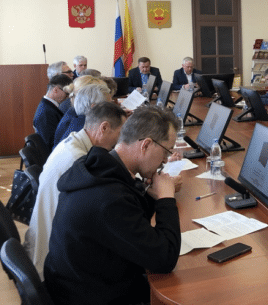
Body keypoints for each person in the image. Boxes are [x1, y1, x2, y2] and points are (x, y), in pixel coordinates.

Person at [44, 106, 181, 305]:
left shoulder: (97, 166)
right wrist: (166, 198)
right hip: (93, 296)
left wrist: (151, 195)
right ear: (146, 145)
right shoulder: (110, 198)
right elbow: (165, 259)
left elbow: (130, 224)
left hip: (74, 284)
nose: (165, 161)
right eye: (166, 152)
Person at [25, 102, 127, 279]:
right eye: (120, 133)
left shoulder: (73, 141)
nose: (120, 140)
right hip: (53, 261)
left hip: (48, 242)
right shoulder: (78, 160)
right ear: (104, 128)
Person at [53, 80, 112, 148]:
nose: (112, 109)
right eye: (109, 106)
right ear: (94, 107)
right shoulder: (83, 128)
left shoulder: (78, 118)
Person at [33, 74, 72, 149]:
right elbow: (51, 143)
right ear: (55, 90)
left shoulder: (48, 106)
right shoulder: (45, 113)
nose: (68, 97)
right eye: (67, 93)